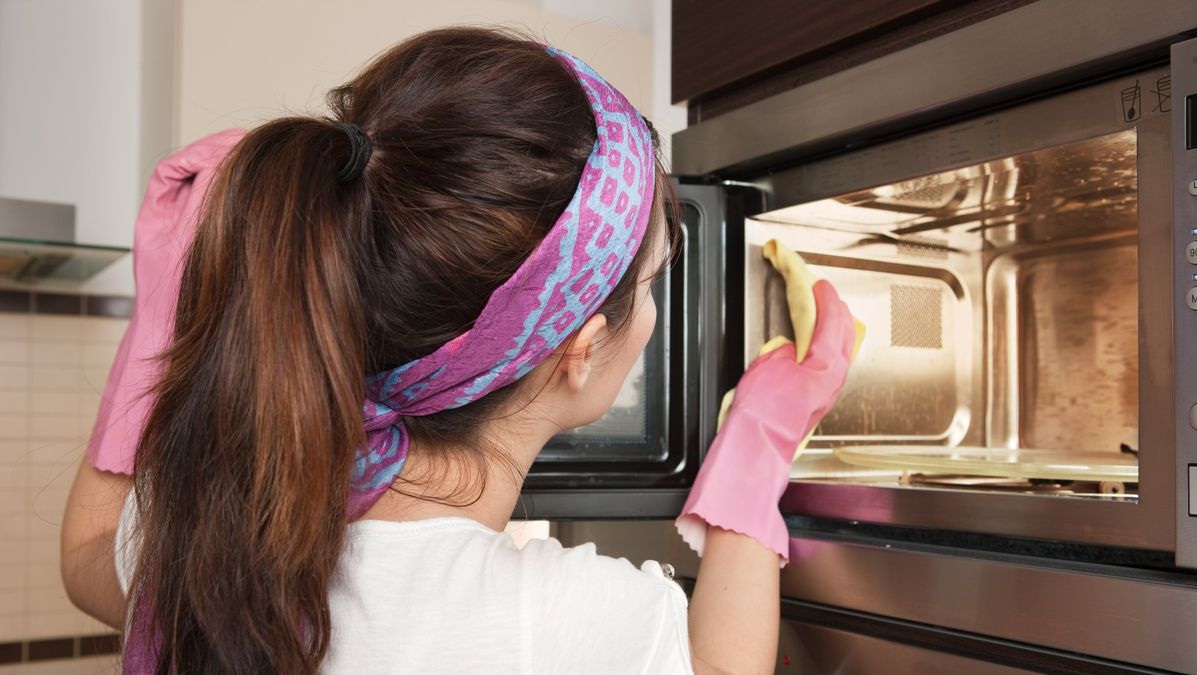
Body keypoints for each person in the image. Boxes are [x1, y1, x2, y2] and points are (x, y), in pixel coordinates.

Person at [60, 27, 855, 674]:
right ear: (578, 349)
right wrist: (756, 445)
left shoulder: (210, 536)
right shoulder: (560, 623)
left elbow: (89, 556)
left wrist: (163, 312)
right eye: (647, 284)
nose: (648, 311)